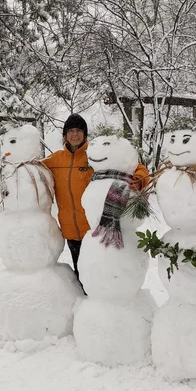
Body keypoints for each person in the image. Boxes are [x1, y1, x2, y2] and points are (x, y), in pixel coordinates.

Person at [42, 114, 150, 281]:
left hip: (94, 229)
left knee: (98, 276)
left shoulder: (95, 156)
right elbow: (33, 166)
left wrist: (138, 179)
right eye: (70, 131)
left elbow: (137, 166)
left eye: (79, 130)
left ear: (85, 134)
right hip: (69, 228)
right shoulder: (56, 159)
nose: (75, 134)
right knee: (80, 274)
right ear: (65, 135)